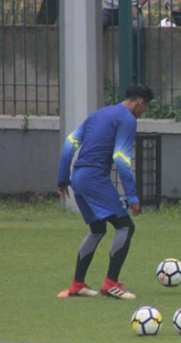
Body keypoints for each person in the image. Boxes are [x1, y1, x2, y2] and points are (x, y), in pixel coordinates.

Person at [57, 84, 155, 300]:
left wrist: (63, 178)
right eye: (144, 108)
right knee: (125, 227)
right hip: (94, 177)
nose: (142, 112)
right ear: (139, 103)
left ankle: (77, 285)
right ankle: (111, 284)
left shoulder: (98, 114)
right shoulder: (127, 119)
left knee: (97, 229)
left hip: (78, 177)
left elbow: (69, 142)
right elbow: (121, 159)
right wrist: (132, 195)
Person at [103, 0, 154, 83]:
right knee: (92, 27)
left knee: (135, 28)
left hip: (132, 8)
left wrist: (137, 6)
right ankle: (92, 71)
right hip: (110, 9)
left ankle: (135, 76)